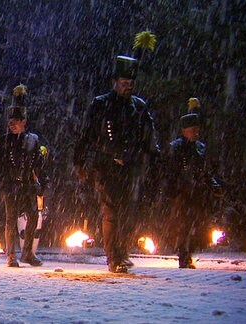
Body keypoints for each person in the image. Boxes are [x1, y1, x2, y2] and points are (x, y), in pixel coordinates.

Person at [74, 55, 159, 273]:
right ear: (115, 82)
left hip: (131, 167)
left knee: (129, 213)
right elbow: (87, 134)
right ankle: (114, 257)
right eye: (124, 83)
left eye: (130, 84)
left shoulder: (139, 107)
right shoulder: (101, 104)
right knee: (110, 211)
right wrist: (80, 161)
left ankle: (122, 251)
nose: (127, 87)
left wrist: (155, 160)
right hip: (105, 166)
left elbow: (149, 138)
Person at [0, 84, 49, 268]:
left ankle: (27, 253)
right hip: (11, 184)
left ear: (24, 122)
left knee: (33, 217)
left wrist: (40, 181)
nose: (12, 124)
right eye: (10, 121)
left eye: (16, 121)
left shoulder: (33, 139)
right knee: (11, 220)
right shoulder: (4, 141)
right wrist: (3, 184)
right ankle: (11, 255)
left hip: (28, 184)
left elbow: (38, 163)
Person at [164, 113, 223, 269]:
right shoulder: (176, 147)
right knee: (182, 226)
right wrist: (172, 191)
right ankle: (184, 256)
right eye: (192, 130)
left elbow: (206, 170)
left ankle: (189, 252)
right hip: (181, 193)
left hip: (197, 192)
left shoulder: (200, 148)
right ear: (184, 131)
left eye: (197, 130)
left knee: (195, 225)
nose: (195, 133)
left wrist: (213, 184)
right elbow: (171, 172)